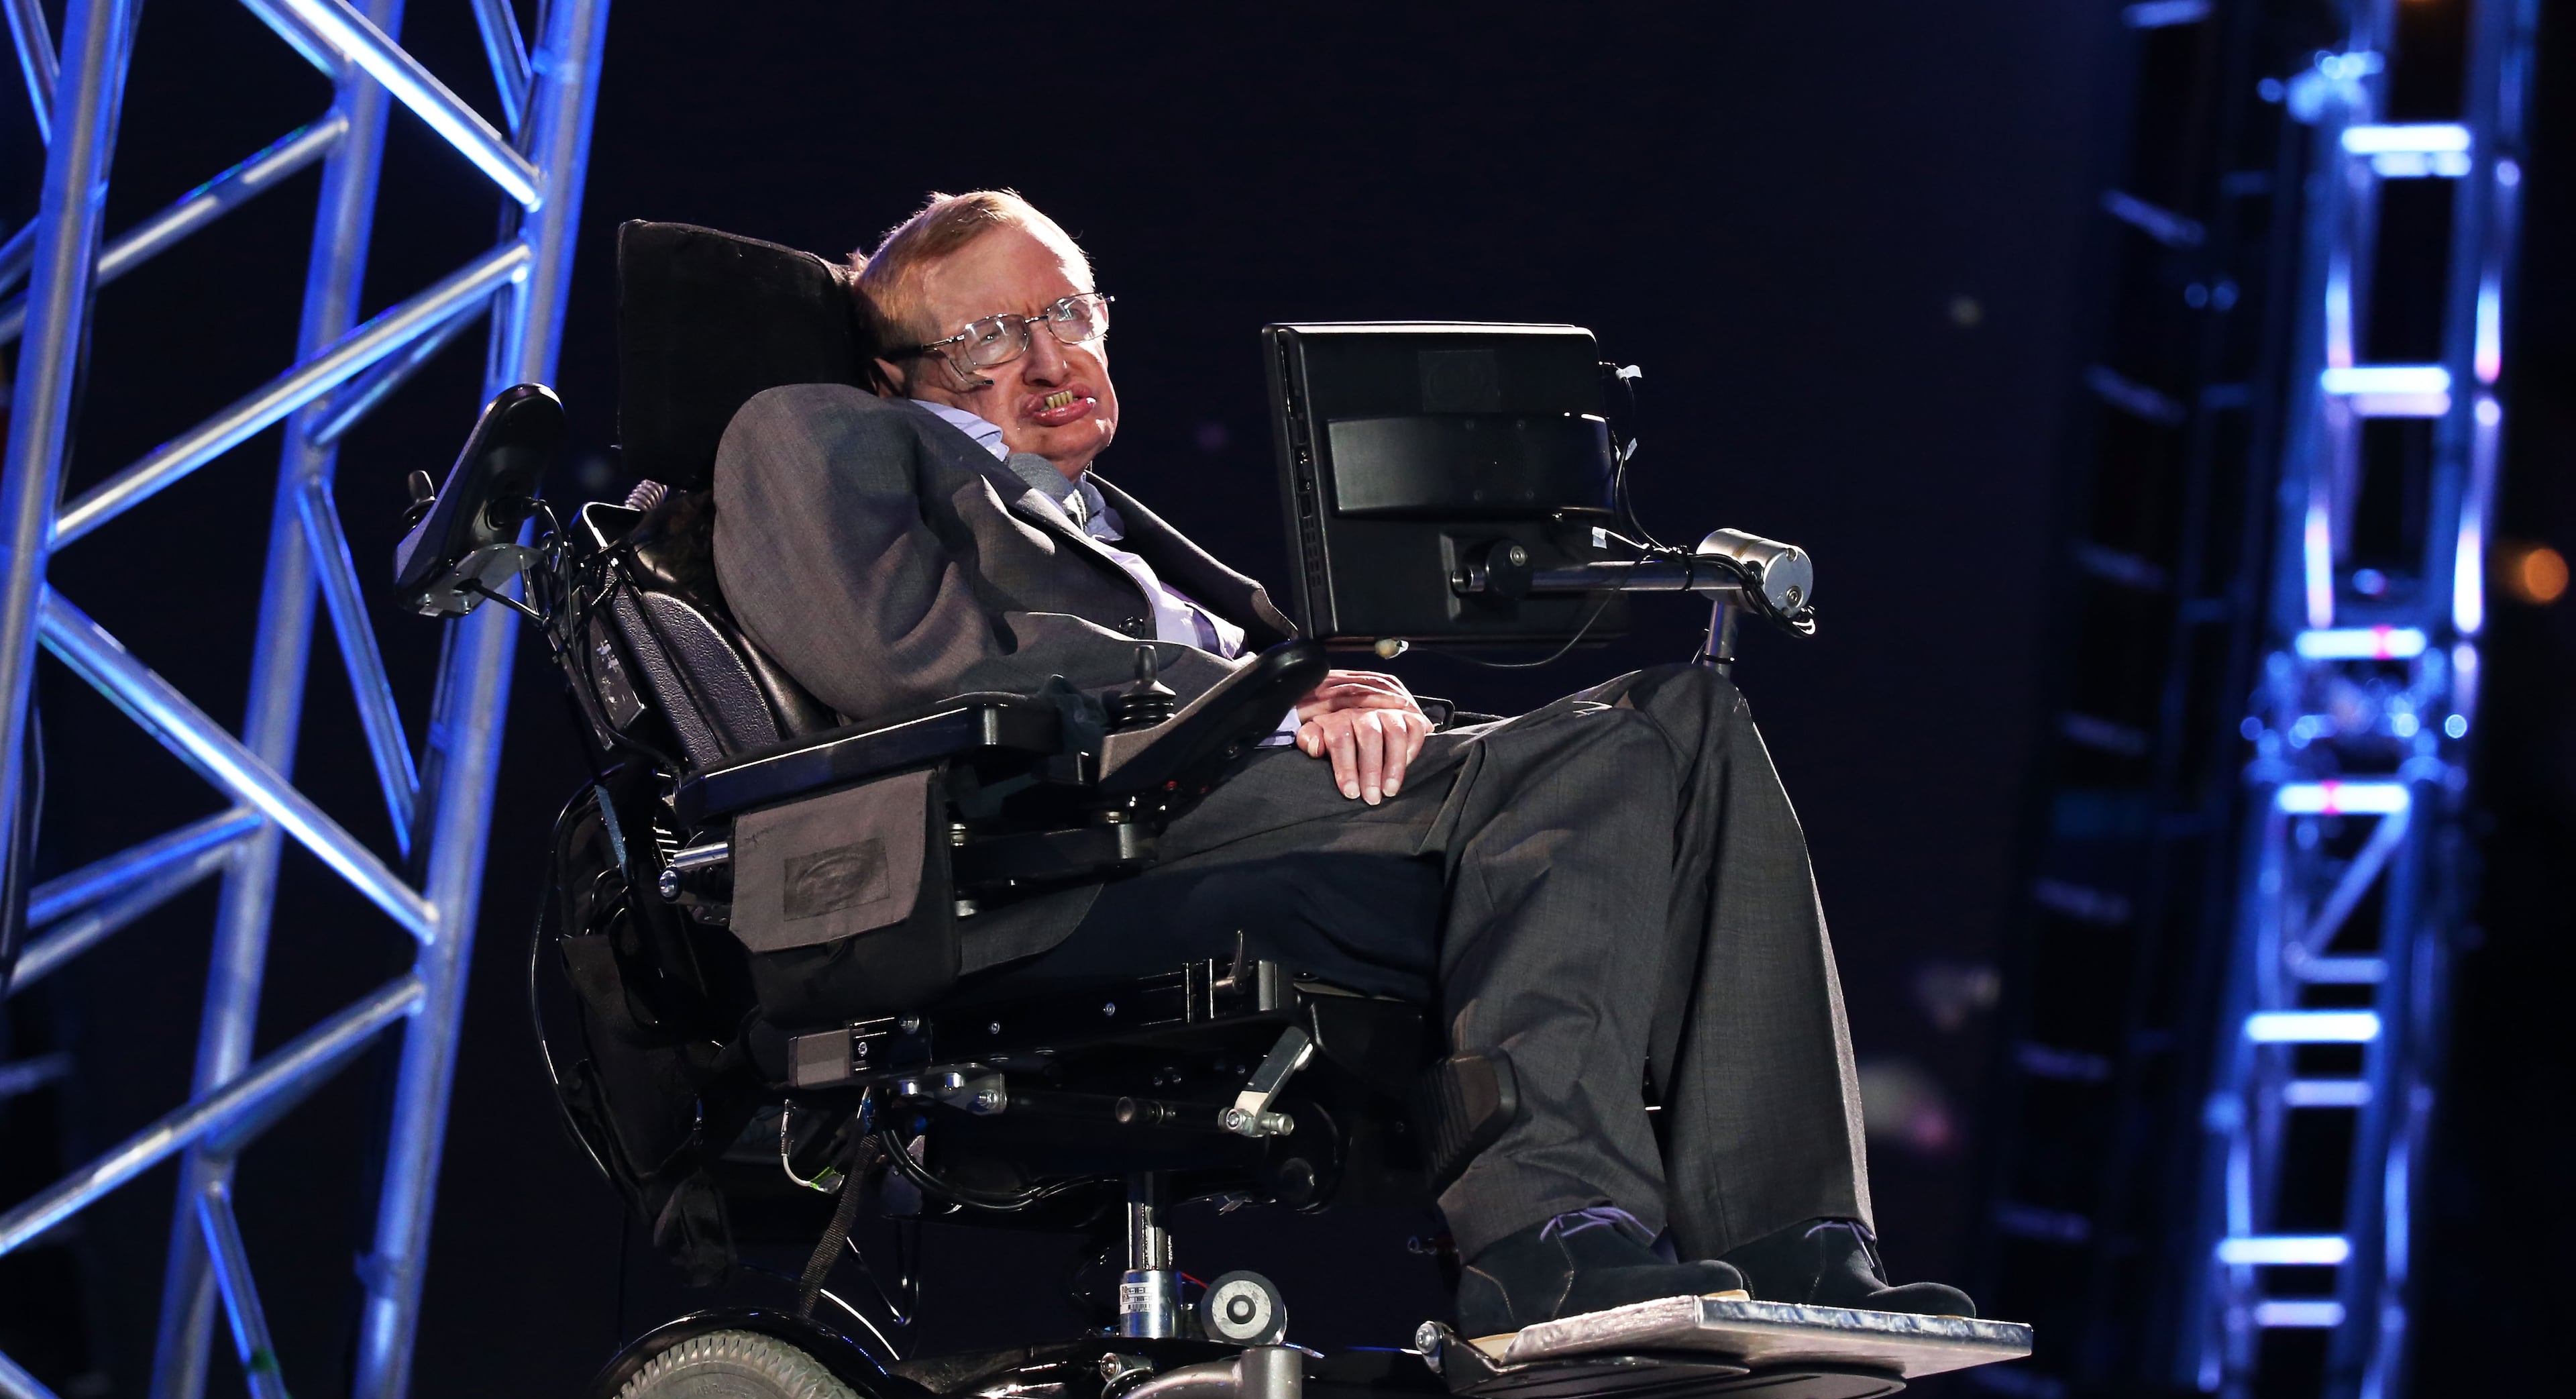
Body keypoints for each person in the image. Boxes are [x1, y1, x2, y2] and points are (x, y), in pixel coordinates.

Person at [711, 189, 1972, 1336]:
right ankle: (1544, 1239)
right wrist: (1262, 695)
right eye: (992, 339)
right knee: (1612, 753)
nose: (1051, 362)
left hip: (1231, 784)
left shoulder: (1110, 522)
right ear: (901, 375)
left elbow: (1269, 668)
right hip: (1062, 832)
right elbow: (905, 664)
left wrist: (1333, 681)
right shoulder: (815, 433)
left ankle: (1793, 1237)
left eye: (1065, 312)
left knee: (1690, 722)